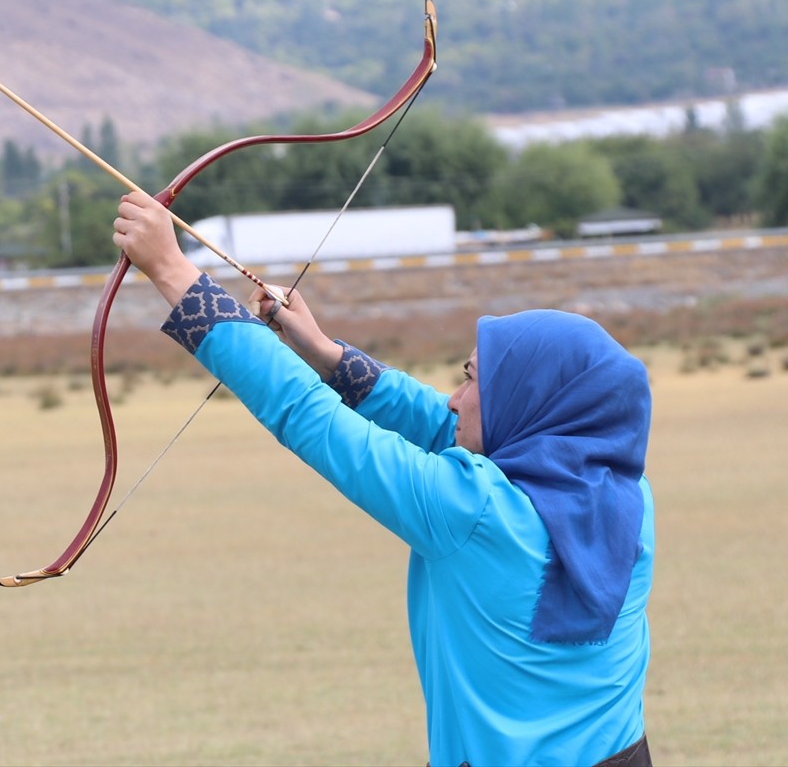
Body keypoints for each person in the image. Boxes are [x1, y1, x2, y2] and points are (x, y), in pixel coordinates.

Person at [112, 190, 655, 767]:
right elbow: (446, 425)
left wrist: (173, 270)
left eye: (471, 380)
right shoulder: (627, 494)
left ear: (526, 409)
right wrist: (323, 351)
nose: (454, 397)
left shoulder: (471, 512)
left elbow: (308, 417)